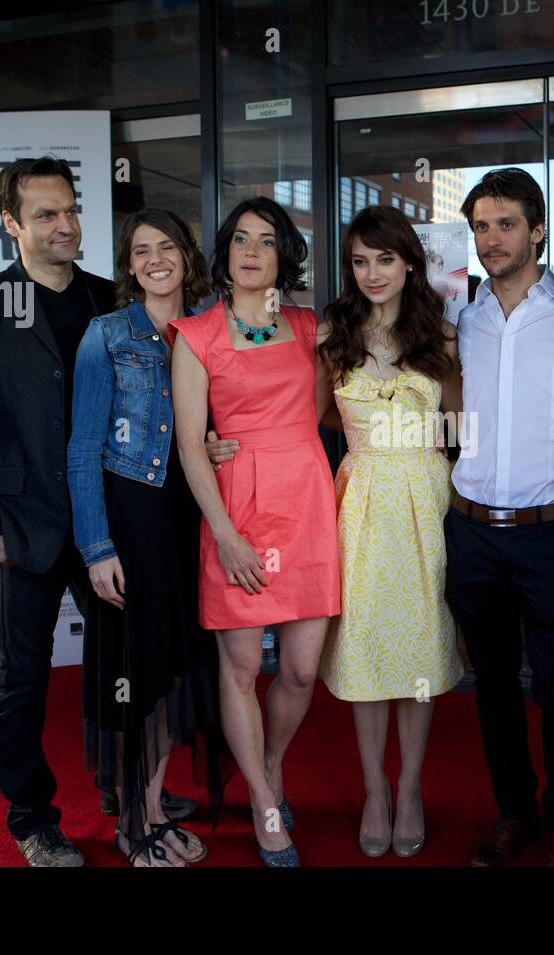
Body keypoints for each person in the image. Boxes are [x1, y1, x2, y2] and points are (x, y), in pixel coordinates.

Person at [212, 206, 467, 858]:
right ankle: (373, 793)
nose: (373, 272)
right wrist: (224, 444)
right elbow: (301, 417)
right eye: (360, 260)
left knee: (416, 652)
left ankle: (408, 788)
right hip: (354, 507)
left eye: (385, 258)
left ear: (409, 261)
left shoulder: (442, 336)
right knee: (364, 652)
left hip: (424, 505)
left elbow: (463, 431)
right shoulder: (331, 334)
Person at [0, 156, 117, 866]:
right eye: (45, 214)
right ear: (11, 225)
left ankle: (123, 787)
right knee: (23, 676)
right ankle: (31, 816)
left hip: (105, 527)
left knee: (117, 664)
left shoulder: (108, 297)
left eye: (69, 209)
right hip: (24, 528)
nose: (64, 224)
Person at [444, 168, 554, 867]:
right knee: (491, 686)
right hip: (473, 529)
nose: (491, 240)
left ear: (538, 230)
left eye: (506, 224)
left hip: (553, 533)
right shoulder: (466, 318)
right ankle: (513, 815)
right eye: (481, 226)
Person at [168, 196, 340, 867]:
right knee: (241, 669)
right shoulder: (196, 334)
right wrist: (227, 534)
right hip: (234, 513)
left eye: (266, 241)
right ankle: (268, 803)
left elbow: (323, 413)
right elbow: (189, 445)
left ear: (283, 255)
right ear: (225, 252)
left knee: (300, 672)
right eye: (240, 239)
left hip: (306, 507)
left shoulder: (307, 327)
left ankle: (266, 765)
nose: (250, 251)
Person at [66, 208, 223, 866]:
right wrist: (97, 548)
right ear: (129, 266)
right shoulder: (105, 335)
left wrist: (221, 445)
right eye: (141, 251)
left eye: (167, 247)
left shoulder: (212, 329)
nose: (156, 259)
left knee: (174, 669)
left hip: (191, 520)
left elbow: (217, 421)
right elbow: (81, 449)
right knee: (139, 673)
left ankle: (153, 799)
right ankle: (138, 824)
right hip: (132, 520)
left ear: (186, 256)